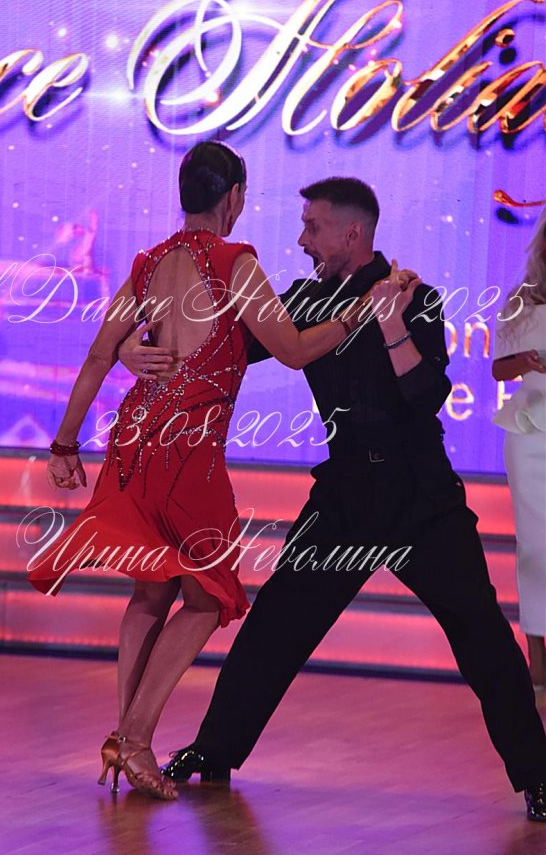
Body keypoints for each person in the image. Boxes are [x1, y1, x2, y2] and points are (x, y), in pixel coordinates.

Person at [119, 177, 546, 821]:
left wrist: (391, 321)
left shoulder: (417, 298)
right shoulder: (304, 302)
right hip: (345, 495)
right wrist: (134, 342)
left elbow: (426, 397)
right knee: (276, 625)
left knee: (480, 635)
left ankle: (538, 777)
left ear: (353, 233)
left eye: (312, 227)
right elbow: (215, 342)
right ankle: (214, 750)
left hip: (420, 497)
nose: (301, 239)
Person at [27, 146, 391, 801]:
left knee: (152, 593)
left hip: (135, 438)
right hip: (188, 450)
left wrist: (64, 444)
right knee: (208, 596)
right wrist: (359, 312)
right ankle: (135, 736)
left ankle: (125, 738)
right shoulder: (235, 262)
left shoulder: (149, 263)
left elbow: (97, 356)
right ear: (235, 197)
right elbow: (293, 349)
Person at [492, 209, 546, 691]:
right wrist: (526, 360)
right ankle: (536, 656)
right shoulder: (521, 302)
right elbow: (499, 369)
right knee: (535, 547)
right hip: (531, 435)